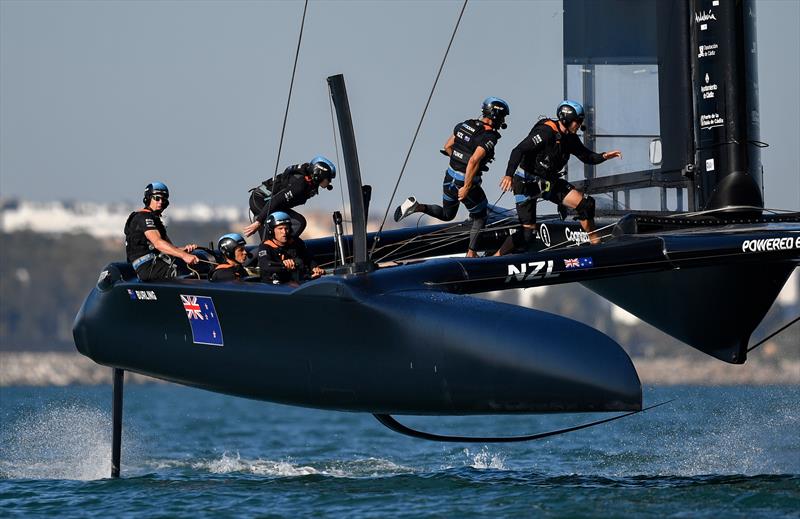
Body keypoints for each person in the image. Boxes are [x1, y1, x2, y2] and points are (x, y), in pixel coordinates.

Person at [494, 100, 622, 255]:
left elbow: (587, 157)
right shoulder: (546, 132)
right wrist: (508, 175)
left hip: (549, 182)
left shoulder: (570, 138)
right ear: (566, 119)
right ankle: (496, 257)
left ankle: (596, 244)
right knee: (528, 234)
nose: (580, 125)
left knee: (585, 205)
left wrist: (604, 156)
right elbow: (518, 150)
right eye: (578, 121)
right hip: (526, 183)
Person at [393, 97, 510, 257]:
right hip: (465, 182)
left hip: (449, 177)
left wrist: (458, 161)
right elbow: (474, 160)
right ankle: (471, 253)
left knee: (448, 215)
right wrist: (467, 186)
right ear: (495, 116)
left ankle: (417, 207)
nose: (503, 121)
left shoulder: (465, 125)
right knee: (481, 216)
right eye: (502, 117)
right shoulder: (489, 137)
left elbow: (447, 146)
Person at [243, 156, 336, 239]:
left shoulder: (309, 183)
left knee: (297, 223)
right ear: (318, 175)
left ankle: (285, 248)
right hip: (261, 201)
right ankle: (281, 249)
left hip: (271, 204)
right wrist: (258, 222)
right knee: (297, 224)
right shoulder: (300, 184)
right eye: (328, 178)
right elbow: (276, 200)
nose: (330, 182)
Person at [124, 182, 199, 281]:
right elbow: (158, 244)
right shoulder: (143, 217)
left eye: (163, 199)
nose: (160, 202)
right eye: (157, 198)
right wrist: (184, 255)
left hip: (157, 261)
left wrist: (184, 250)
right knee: (185, 271)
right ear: (148, 199)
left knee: (198, 265)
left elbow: (169, 248)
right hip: (147, 266)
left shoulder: (155, 220)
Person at [257, 211, 324, 284]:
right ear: (271, 231)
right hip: (274, 287)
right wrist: (283, 265)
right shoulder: (265, 246)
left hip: (296, 283)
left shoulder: (296, 242)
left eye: (286, 228)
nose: (284, 232)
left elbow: (308, 258)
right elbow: (265, 265)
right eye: (280, 228)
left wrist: (314, 268)